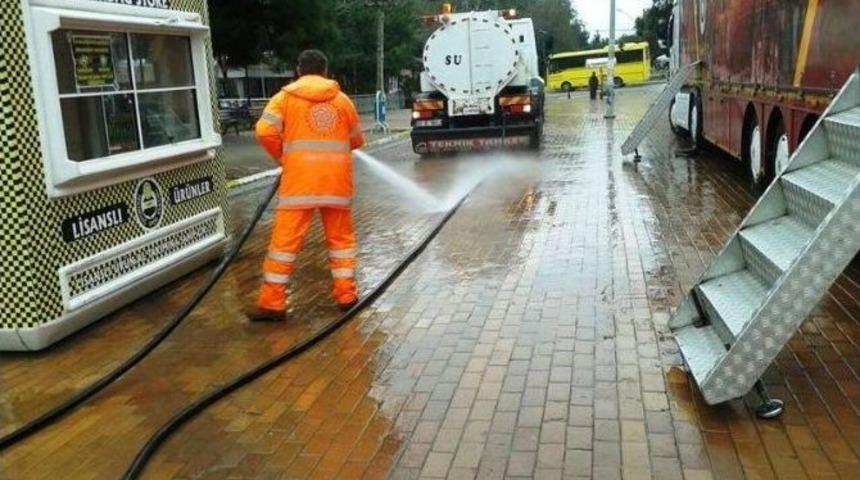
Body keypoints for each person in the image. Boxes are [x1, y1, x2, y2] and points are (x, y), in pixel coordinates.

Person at [248, 49, 364, 321]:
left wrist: (284, 156)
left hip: (299, 183)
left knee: (284, 244)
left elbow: (264, 131)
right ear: (325, 71)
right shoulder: (343, 100)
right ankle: (346, 297)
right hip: (336, 184)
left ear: (298, 70)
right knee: (341, 242)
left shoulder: (284, 98)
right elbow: (357, 140)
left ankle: (272, 303)